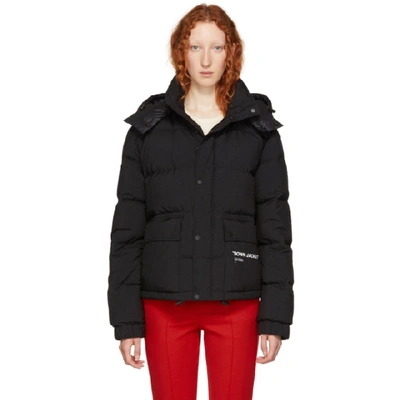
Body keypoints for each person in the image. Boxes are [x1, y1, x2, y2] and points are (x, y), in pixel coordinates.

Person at [107, 4, 294, 400]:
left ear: (231, 52)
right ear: (181, 52)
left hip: (237, 303)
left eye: (217, 47)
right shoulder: (147, 130)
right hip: (164, 305)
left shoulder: (259, 131)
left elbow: (275, 230)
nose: (206, 60)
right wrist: (126, 321)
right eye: (195, 47)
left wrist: (275, 317)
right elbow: (127, 231)